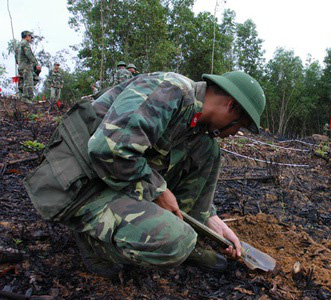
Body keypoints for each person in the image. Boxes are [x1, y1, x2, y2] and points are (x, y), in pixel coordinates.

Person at [25, 71, 266, 279]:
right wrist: (158, 191)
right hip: (82, 185)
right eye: (239, 125)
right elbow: (107, 149)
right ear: (231, 106)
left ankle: (187, 235)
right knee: (176, 243)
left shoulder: (195, 122)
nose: (234, 133)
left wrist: (211, 223)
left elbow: (186, 176)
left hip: (115, 180)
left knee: (208, 150)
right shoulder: (169, 90)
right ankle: (94, 243)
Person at [16, 31, 41, 104]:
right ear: (27, 36)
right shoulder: (25, 43)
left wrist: (19, 64)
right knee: (29, 82)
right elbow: (29, 54)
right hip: (26, 67)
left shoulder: (19, 45)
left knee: (23, 81)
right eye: (30, 37)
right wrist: (36, 64)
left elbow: (16, 57)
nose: (30, 39)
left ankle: (21, 95)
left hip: (21, 66)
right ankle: (26, 98)